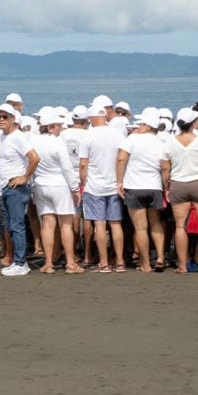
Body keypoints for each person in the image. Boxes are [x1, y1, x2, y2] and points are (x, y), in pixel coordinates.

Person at [117, 109, 170, 273]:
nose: (138, 126)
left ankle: (145, 263)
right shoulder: (161, 143)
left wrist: (119, 180)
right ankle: (160, 258)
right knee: (155, 222)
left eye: (141, 124)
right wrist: (166, 187)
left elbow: (121, 158)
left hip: (134, 186)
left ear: (146, 126)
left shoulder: (132, 139)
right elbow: (165, 167)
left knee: (140, 227)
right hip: (154, 186)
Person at [166, 107, 198, 274]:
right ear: (194, 122)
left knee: (180, 226)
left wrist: (167, 187)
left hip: (179, 184)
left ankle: (182, 265)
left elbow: (165, 169)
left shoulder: (170, 141)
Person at [31, 110, 82, 274]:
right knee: (66, 224)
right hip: (58, 183)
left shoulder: (34, 141)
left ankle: (48, 263)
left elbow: (31, 163)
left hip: (40, 183)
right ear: (51, 127)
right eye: (58, 125)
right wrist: (75, 187)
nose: (61, 128)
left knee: (47, 224)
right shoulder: (57, 142)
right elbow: (67, 167)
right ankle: (70, 263)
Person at [0, 104, 39, 277]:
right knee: (11, 225)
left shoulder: (18, 137)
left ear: (13, 119)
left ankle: (21, 262)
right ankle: (17, 261)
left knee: (17, 225)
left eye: (5, 117)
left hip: (16, 187)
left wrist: (24, 177)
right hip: (6, 186)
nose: (1, 120)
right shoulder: (3, 137)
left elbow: (34, 158)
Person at [79, 106, 127, 273]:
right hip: (114, 184)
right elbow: (123, 157)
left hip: (94, 186)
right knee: (115, 224)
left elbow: (83, 164)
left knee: (99, 224)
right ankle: (120, 262)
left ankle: (104, 263)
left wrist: (83, 183)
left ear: (92, 118)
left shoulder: (88, 136)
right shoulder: (117, 133)